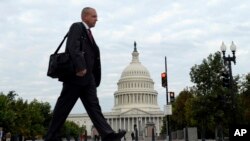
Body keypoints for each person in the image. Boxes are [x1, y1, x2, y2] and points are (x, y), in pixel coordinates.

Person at [44, 7, 126, 141]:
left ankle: (108, 135)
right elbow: (72, 46)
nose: (96, 19)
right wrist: (80, 67)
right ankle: (51, 136)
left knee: (94, 107)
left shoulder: (88, 33)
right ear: (85, 17)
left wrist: (92, 74)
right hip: (76, 76)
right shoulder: (77, 27)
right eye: (94, 16)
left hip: (88, 78)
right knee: (63, 107)